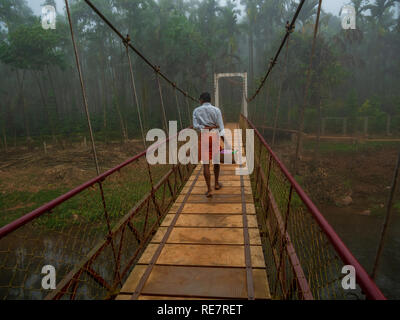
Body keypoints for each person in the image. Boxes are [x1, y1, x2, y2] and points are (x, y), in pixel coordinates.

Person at [193, 92, 226, 198]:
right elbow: (220, 127)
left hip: (204, 137)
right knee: (216, 161)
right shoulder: (216, 110)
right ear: (210, 100)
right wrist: (225, 142)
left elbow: (195, 126)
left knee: (206, 164)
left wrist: (204, 127)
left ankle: (209, 190)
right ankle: (216, 184)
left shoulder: (196, 111)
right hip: (214, 136)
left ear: (201, 100)